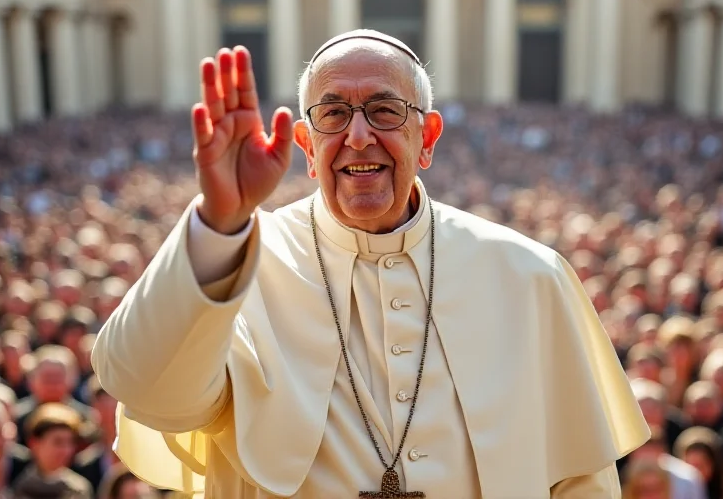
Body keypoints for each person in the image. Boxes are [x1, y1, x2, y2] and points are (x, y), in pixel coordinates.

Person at [91, 30, 650, 498]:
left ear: (426, 138)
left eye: (384, 110)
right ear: (306, 146)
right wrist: (217, 222)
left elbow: (582, 480)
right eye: (333, 115)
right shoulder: (234, 267)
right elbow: (144, 386)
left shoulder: (530, 277)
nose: (359, 138)